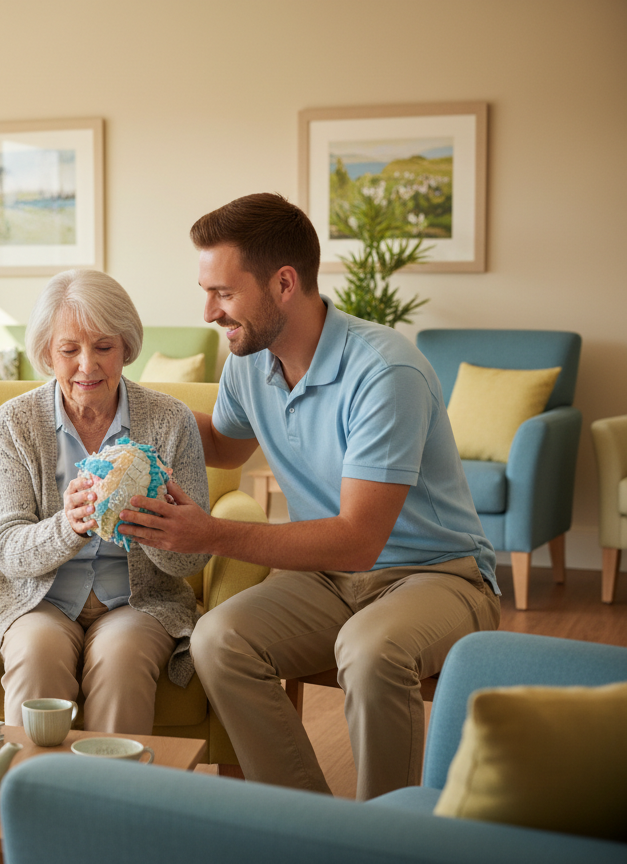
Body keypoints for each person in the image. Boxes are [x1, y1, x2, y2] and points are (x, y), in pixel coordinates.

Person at [115, 193, 500, 799]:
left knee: (371, 650)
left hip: (436, 576)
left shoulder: (384, 371)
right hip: (324, 579)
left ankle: (383, 839)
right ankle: (309, 821)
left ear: (285, 284)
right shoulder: (250, 358)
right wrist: (121, 402)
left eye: (223, 292)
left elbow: (358, 539)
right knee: (218, 640)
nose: (210, 311)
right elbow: (223, 441)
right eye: (206, 291)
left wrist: (211, 533)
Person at [0, 269, 212, 731]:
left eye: (104, 347)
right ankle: (33, 794)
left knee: (122, 661)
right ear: (47, 354)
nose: (87, 366)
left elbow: (193, 561)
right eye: (69, 350)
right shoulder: (13, 424)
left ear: (127, 347)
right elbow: (8, 548)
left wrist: (155, 525)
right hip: (38, 601)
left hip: (139, 602)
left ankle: (108, 800)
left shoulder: (171, 421)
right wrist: (68, 525)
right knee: (36, 656)